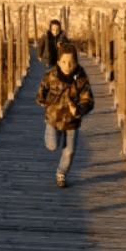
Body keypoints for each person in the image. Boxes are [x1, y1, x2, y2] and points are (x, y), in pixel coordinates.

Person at [35, 44, 94, 187]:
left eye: (71, 62)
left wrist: (79, 109)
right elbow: (41, 92)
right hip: (53, 119)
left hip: (71, 121)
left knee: (70, 151)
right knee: (52, 146)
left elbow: (89, 100)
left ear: (76, 62)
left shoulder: (81, 79)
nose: (68, 66)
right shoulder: (51, 76)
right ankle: (51, 135)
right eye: (64, 62)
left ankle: (61, 173)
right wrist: (45, 104)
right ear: (58, 62)